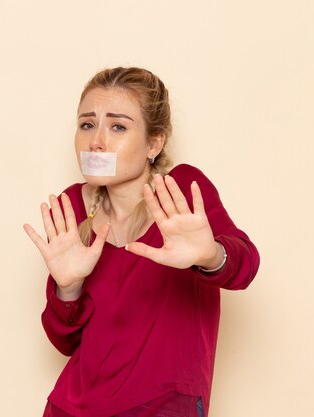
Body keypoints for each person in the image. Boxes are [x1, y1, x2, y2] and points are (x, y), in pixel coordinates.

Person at [23, 67, 260, 417]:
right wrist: (68, 289)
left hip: (162, 406)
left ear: (154, 142)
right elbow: (64, 341)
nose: (96, 142)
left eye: (118, 126)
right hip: (70, 408)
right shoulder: (73, 206)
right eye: (87, 124)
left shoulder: (179, 191)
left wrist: (211, 256)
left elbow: (244, 266)